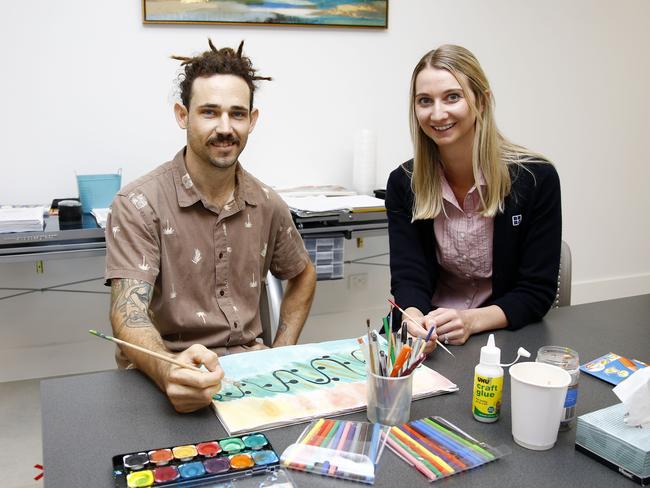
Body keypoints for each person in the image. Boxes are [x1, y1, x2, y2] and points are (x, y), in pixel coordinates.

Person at [105, 40, 316, 413]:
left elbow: (302, 275)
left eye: (237, 114)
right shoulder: (139, 204)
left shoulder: (267, 203)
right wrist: (170, 370)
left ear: (252, 120)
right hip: (164, 376)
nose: (225, 128)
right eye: (209, 112)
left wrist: (281, 353)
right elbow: (128, 314)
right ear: (183, 115)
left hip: (250, 377)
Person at [386, 45, 561, 354]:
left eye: (452, 97)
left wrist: (470, 321)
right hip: (429, 332)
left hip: (500, 334)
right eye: (425, 101)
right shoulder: (403, 183)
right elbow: (408, 278)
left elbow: (536, 291)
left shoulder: (536, 178)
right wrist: (412, 319)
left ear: (481, 100)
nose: (437, 114)